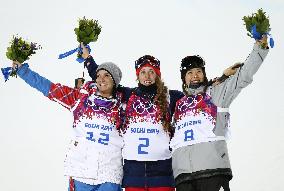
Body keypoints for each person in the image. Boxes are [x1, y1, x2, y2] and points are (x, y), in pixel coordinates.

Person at [11, 53, 124, 191]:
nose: (101, 79)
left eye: (107, 75)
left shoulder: (124, 107)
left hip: (109, 175)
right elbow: (49, 88)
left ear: (115, 81)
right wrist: (23, 71)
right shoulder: (80, 99)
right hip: (81, 173)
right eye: (99, 75)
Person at [170, 36, 269, 191]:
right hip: (183, 177)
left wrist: (260, 47)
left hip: (213, 171)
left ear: (204, 74)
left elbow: (243, 76)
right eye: (189, 72)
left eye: (198, 71)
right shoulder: (178, 104)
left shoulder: (216, 93)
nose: (195, 75)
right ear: (184, 78)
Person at [85, 54, 184, 191]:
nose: (147, 76)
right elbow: (105, 80)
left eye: (151, 72)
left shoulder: (172, 96)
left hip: (162, 173)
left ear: (157, 75)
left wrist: (213, 83)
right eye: (143, 72)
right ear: (138, 75)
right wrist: (88, 59)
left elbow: (195, 95)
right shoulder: (128, 95)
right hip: (133, 173)